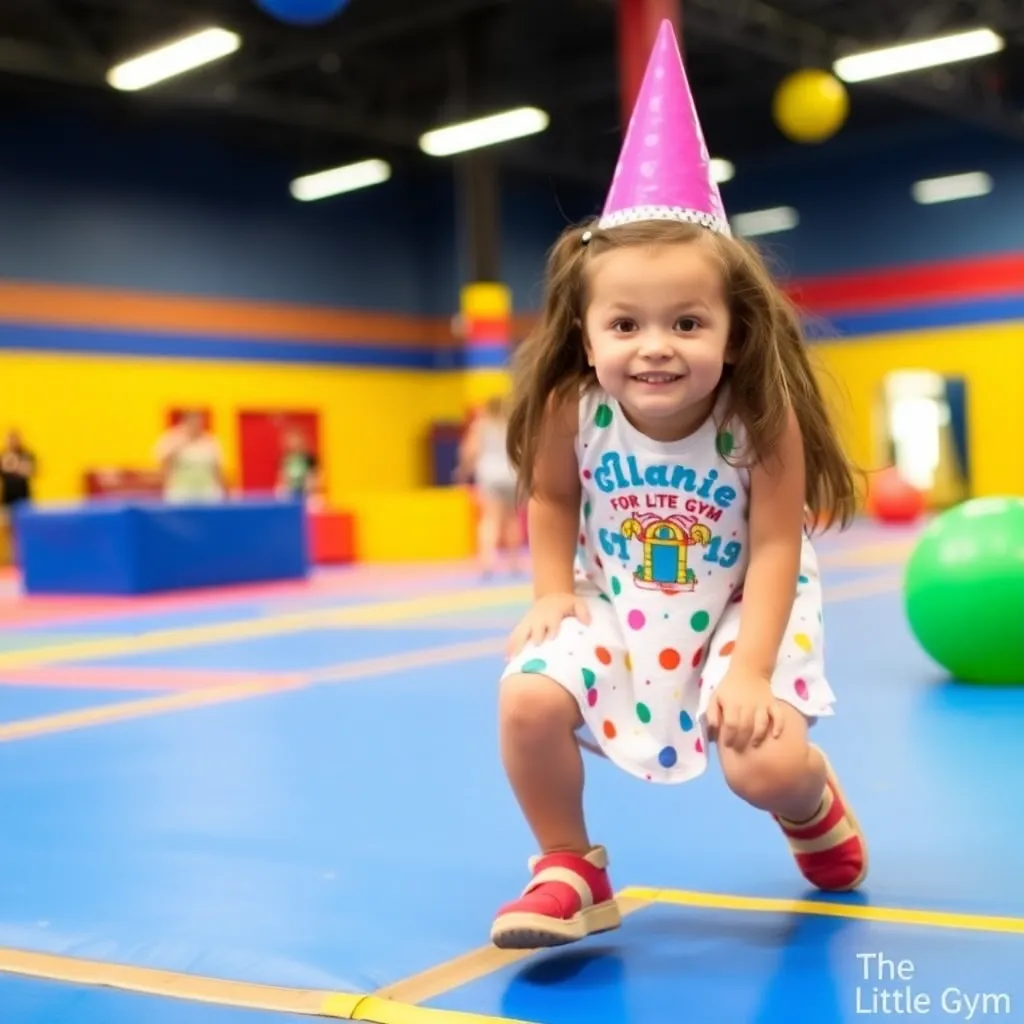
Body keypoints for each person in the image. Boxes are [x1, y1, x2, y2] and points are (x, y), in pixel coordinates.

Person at [490, 21, 866, 951]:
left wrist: (748, 670)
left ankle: (812, 803)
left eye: (687, 322)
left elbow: (779, 542)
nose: (654, 345)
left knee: (759, 769)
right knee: (528, 697)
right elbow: (551, 500)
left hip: (744, 603)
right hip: (624, 601)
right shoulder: (571, 413)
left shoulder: (755, 419)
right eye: (625, 324)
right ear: (587, 336)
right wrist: (549, 593)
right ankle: (569, 864)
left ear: (731, 333)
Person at [455, 396, 523, 576]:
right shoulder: (511, 425)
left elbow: (471, 451)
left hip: (490, 476)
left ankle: (487, 561)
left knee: (489, 519)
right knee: (512, 520)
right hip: (512, 475)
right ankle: (514, 562)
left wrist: (463, 471)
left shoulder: (481, 426)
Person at [154, 411, 226, 505]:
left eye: (199, 422)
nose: (196, 425)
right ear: (185, 422)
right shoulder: (171, 439)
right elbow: (162, 461)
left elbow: (218, 468)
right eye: (193, 422)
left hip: (207, 491)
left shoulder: (210, 441)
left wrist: (223, 489)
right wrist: (181, 443)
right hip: (181, 491)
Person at [0, 430, 36, 514]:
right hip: (7, 496)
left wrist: (14, 465)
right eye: (10, 439)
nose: (13, 442)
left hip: (23, 496)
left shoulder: (26, 455)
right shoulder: (3, 455)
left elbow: (31, 471)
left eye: (15, 439)